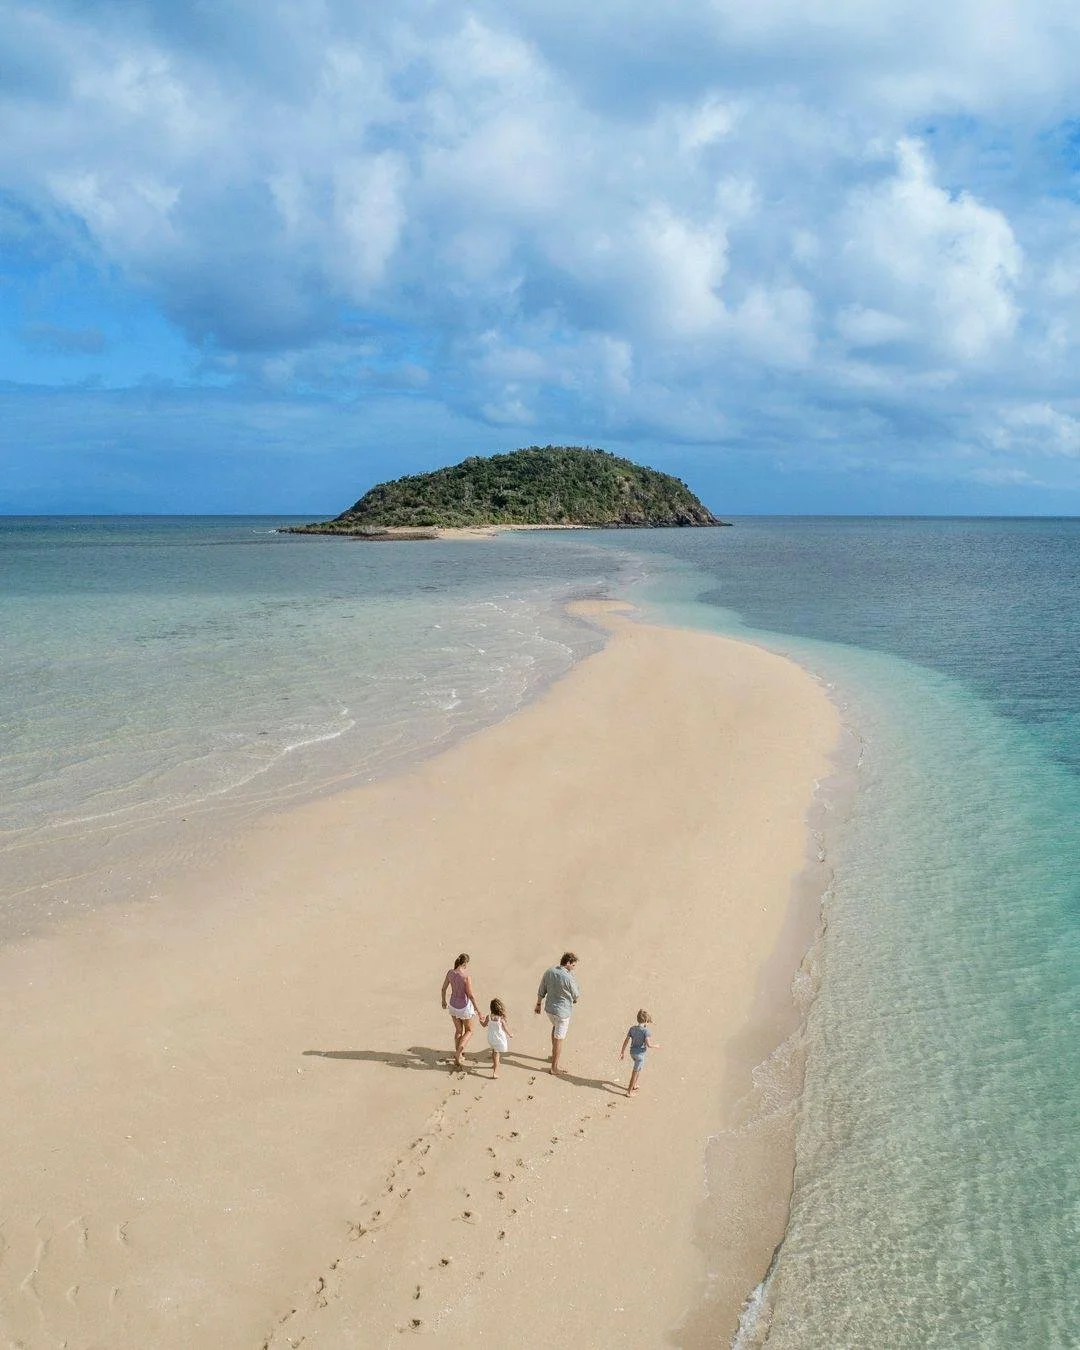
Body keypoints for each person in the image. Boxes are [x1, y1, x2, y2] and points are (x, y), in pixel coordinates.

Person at [534, 951, 580, 1075]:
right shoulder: (568, 977)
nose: (574, 968)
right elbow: (576, 995)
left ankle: (553, 1055)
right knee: (559, 1039)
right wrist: (574, 998)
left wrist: (538, 1004)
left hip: (549, 1010)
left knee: (555, 1028)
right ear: (568, 963)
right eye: (573, 965)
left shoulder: (549, 971)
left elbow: (542, 989)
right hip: (562, 1012)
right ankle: (554, 1068)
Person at [440, 953, 480, 1070]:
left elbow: (443, 989)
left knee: (458, 1031)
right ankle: (458, 1053)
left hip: (453, 1005)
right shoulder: (466, 976)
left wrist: (443, 1001)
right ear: (465, 963)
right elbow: (470, 995)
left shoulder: (450, 973)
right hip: (464, 1007)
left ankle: (459, 1054)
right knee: (469, 1031)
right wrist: (478, 1010)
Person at [619, 1009, 658, 1096]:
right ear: (646, 1021)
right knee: (635, 1072)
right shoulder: (646, 1031)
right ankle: (629, 1092)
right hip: (640, 1055)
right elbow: (648, 1044)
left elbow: (626, 1040)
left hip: (632, 1052)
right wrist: (656, 1046)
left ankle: (634, 1085)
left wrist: (622, 1052)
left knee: (639, 1068)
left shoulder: (632, 1029)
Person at [479, 997, 513, 1078]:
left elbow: (484, 1025)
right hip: (498, 1038)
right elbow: (505, 1029)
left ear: (491, 1008)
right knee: (497, 1053)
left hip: (491, 1038)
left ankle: (494, 1064)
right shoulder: (501, 1019)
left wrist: (480, 1021)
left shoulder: (488, 1017)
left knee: (494, 1051)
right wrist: (510, 1034)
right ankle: (495, 1072)